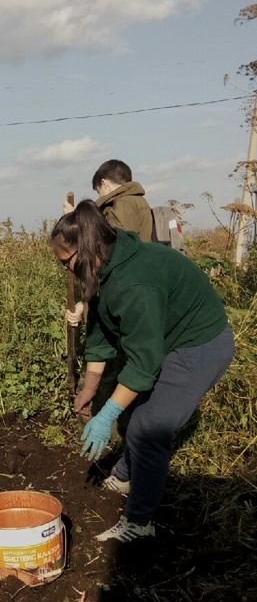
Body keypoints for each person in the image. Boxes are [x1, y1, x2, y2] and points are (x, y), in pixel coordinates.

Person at [52, 201, 234, 543]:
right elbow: (102, 330)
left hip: (200, 345)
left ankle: (139, 523)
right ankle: (125, 475)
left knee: (148, 427)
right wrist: (91, 387)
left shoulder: (134, 282)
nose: (66, 269)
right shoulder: (105, 264)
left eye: (67, 262)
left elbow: (144, 364)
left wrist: (106, 415)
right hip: (170, 339)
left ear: (88, 249)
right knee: (136, 411)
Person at [64, 161, 154, 327]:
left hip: (126, 292)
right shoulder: (135, 202)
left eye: (98, 191)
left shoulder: (122, 205)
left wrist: (77, 222)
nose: (99, 197)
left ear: (103, 182)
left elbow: (113, 250)